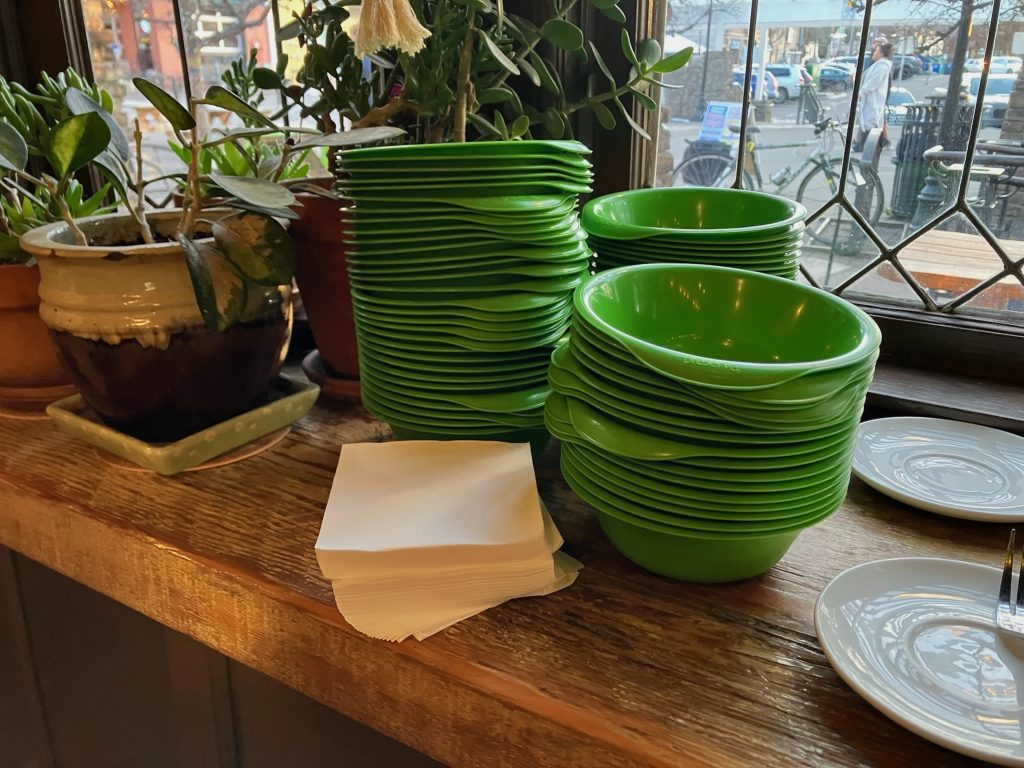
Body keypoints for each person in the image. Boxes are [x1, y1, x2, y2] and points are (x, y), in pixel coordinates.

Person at [854, 39, 893, 152]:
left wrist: (863, 91)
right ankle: (866, 144)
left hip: (873, 100)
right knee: (868, 122)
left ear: (881, 54)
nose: (873, 53)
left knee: (870, 123)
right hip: (871, 99)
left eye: (876, 51)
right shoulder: (878, 65)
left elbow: (874, 82)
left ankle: (869, 145)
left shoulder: (882, 66)